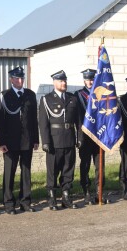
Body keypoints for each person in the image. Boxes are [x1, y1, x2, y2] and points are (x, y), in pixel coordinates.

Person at [0, 66, 39, 214]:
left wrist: (35, 139)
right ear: (11, 79)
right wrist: (1, 142)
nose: (20, 81)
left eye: (22, 78)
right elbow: (0, 121)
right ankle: (8, 203)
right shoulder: (4, 96)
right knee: (9, 172)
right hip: (10, 141)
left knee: (26, 171)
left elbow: (34, 119)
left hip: (27, 140)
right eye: (17, 78)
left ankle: (25, 201)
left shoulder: (30, 95)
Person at [39, 70, 79, 210]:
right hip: (54, 141)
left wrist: (79, 138)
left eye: (65, 81)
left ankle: (66, 197)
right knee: (53, 171)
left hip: (69, 138)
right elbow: (43, 123)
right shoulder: (47, 99)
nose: (64, 83)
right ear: (54, 82)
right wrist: (45, 141)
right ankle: (51, 198)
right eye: (61, 81)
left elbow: (78, 121)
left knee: (68, 169)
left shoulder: (72, 98)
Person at [74, 68, 109, 205]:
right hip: (85, 135)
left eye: (92, 79)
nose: (90, 82)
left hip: (99, 135)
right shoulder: (78, 95)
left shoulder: (101, 95)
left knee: (100, 166)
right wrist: (78, 137)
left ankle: (99, 192)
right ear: (84, 80)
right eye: (88, 79)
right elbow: (77, 118)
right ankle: (86, 191)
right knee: (85, 165)